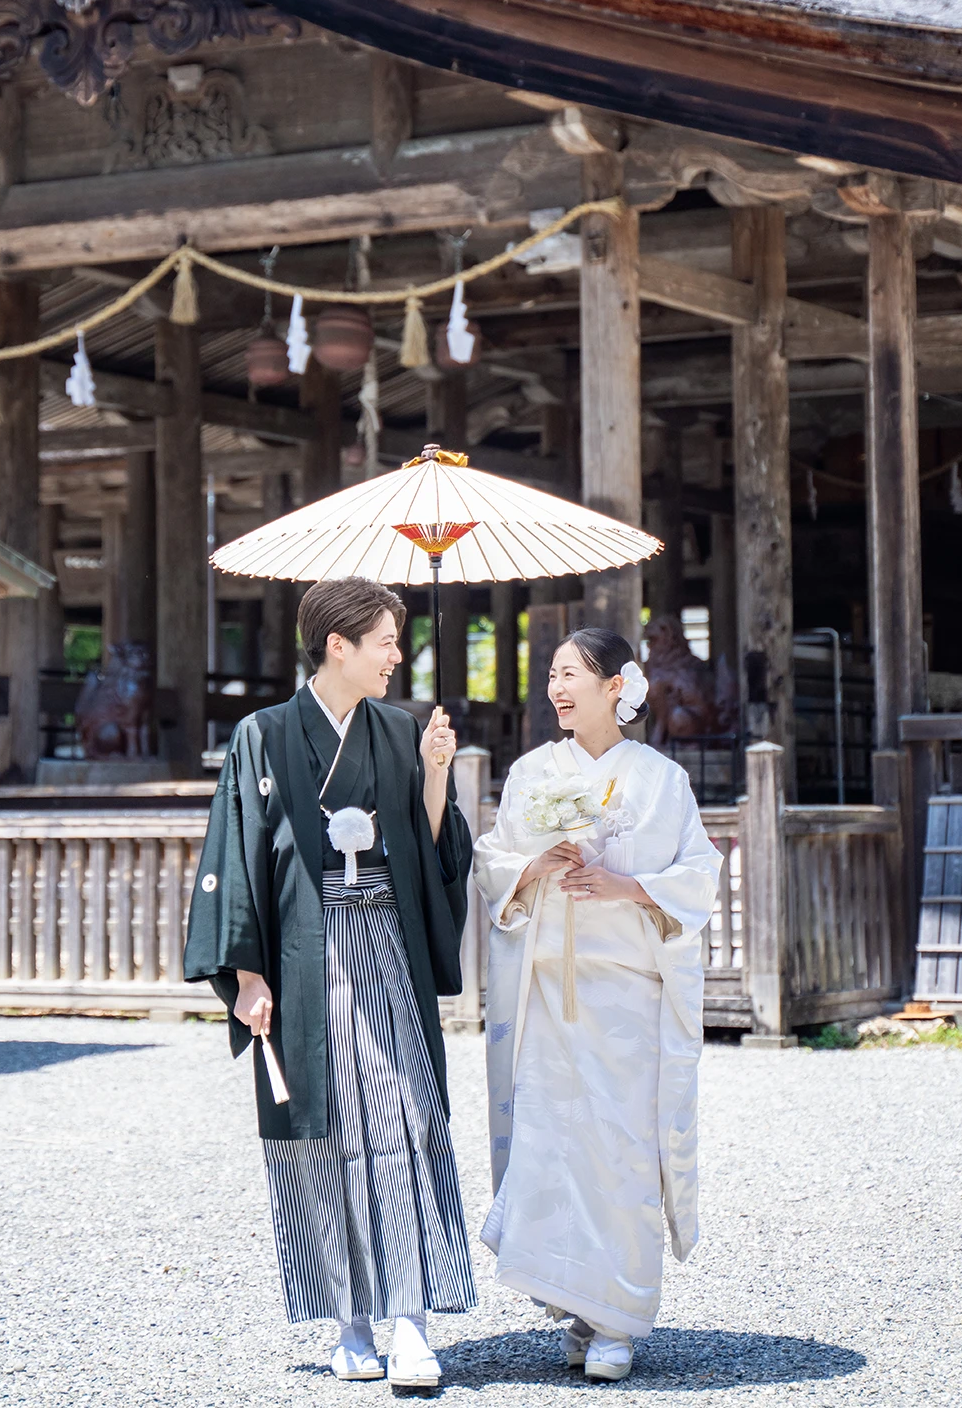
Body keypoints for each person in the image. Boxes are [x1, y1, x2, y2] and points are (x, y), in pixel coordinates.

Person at [184, 576, 477, 1387]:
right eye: (385, 641)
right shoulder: (263, 734)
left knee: (409, 1113)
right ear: (337, 646)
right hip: (305, 958)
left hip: (386, 938)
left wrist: (435, 774)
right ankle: (351, 1323)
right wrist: (247, 972)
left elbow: (429, 845)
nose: (397, 656)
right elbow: (238, 853)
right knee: (324, 1128)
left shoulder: (397, 729)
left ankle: (411, 1320)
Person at [472, 627, 722, 1382]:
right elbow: (492, 859)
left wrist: (629, 886)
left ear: (618, 685)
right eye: (551, 673)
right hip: (551, 990)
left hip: (626, 996)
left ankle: (618, 1320)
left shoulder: (659, 779)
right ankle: (575, 1308)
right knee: (555, 1147)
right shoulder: (528, 772)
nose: (558, 686)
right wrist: (533, 866)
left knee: (619, 1149)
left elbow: (699, 873)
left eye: (572, 673)